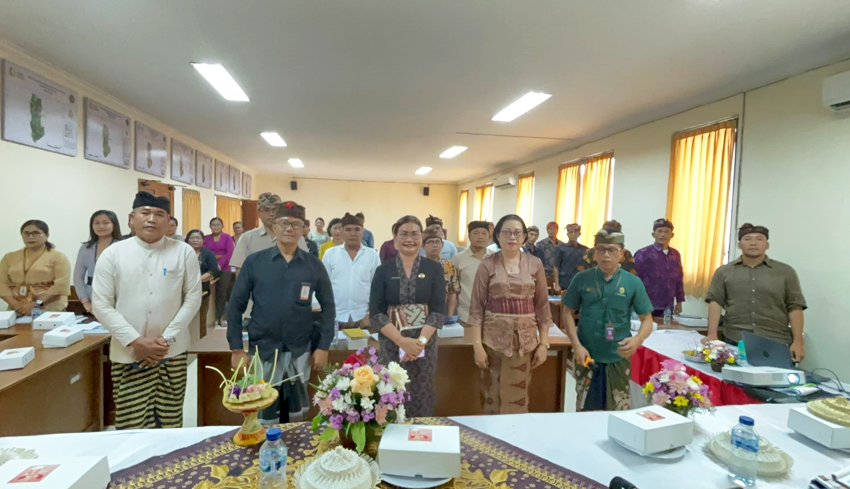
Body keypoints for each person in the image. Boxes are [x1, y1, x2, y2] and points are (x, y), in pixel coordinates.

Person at [92, 192, 201, 429]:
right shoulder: (113, 254)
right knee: (132, 424)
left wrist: (166, 339)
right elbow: (101, 303)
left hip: (171, 352)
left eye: (159, 214)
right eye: (145, 213)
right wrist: (135, 341)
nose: (152, 219)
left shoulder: (183, 252)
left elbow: (193, 298)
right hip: (129, 352)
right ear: (131, 218)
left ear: (168, 220)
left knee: (170, 421)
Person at [227, 201, 335, 423]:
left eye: (296, 224)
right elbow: (235, 305)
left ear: (304, 229)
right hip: (264, 348)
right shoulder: (255, 262)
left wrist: (323, 346)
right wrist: (237, 348)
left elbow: (329, 307)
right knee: (262, 408)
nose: (289, 228)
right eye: (284, 223)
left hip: (300, 349)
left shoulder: (313, 265)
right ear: (274, 227)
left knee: (298, 412)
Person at [562, 227, 654, 412]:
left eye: (612, 250)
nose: (606, 255)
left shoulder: (633, 282)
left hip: (618, 356)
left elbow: (647, 319)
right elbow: (566, 312)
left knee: (617, 410)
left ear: (621, 253)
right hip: (586, 355)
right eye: (601, 249)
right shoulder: (582, 279)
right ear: (594, 252)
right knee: (584, 407)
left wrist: (638, 340)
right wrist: (576, 345)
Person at [468, 215, 552, 414]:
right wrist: (477, 346)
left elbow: (542, 307)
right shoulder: (487, 264)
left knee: (518, 398)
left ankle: (513, 440)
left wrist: (544, 344)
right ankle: (490, 442)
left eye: (517, 232)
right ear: (497, 236)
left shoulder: (535, 264)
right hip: (492, 342)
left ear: (524, 236)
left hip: (524, 343)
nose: (511, 237)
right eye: (506, 232)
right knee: (491, 395)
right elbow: (476, 308)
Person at [370, 215, 446, 417]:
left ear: (421, 238)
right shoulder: (383, 271)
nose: (409, 239)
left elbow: (439, 311)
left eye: (414, 234)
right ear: (394, 239)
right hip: (392, 345)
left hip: (425, 345)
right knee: (392, 393)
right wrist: (402, 341)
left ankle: (422, 441)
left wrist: (419, 342)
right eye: (403, 234)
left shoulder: (434, 269)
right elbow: (376, 313)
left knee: (422, 394)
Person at [704, 223, 807, 361]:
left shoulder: (785, 272)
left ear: (767, 244)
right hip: (735, 339)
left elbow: (795, 306)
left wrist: (798, 341)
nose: (753, 243)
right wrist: (712, 334)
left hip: (776, 341)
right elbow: (715, 302)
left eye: (759, 239)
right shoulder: (724, 272)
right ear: (739, 244)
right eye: (747, 239)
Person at [322, 213, 380, 329]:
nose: (353, 233)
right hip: (335, 317)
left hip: (363, 318)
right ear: (342, 232)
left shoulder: (372, 255)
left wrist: (369, 314)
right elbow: (323, 287)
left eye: (357, 229)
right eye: (348, 230)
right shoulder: (330, 254)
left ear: (363, 232)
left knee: (364, 347)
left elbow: (377, 288)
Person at [0, 220, 71, 314]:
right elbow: (2, 283)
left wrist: (36, 304)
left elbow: (61, 284)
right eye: (26, 233)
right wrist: (15, 304)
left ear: (47, 235)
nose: (30, 237)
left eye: (36, 233)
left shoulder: (58, 257)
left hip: (48, 307)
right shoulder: (9, 257)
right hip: (17, 308)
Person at [232, 192, 311, 275]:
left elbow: (305, 266)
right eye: (266, 210)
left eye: (275, 210)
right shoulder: (247, 238)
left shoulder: (294, 236)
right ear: (258, 213)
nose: (271, 214)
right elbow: (240, 271)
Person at [634, 219, 685, 316]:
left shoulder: (675, 254)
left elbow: (679, 279)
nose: (663, 235)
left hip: (667, 306)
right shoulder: (643, 253)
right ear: (653, 234)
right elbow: (634, 279)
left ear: (672, 235)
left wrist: (679, 301)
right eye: (660, 231)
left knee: (666, 330)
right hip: (646, 304)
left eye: (666, 232)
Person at [74, 210, 122, 314]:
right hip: (91, 298)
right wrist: (86, 303)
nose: (101, 226)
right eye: (97, 223)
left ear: (114, 225)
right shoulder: (85, 248)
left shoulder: (122, 246)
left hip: (118, 298)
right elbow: (78, 278)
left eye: (106, 223)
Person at [452, 221, 492, 326]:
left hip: (491, 316)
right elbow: (452, 290)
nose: (480, 237)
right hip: (466, 316)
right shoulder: (458, 259)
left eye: (484, 233)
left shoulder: (495, 258)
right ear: (469, 236)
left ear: (489, 237)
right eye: (476, 233)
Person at [185, 230, 222, 331]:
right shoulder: (182, 252)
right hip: (183, 290)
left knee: (201, 318)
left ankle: (200, 341)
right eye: (192, 238)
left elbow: (214, 271)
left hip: (202, 290)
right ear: (187, 240)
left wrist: (196, 280)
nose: (195, 240)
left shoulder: (208, 253)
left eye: (198, 238)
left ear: (203, 240)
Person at [423, 225, 459, 317]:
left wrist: (450, 315)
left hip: (442, 312)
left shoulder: (449, 266)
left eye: (437, 242)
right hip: (422, 312)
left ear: (442, 245)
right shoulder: (418, 265)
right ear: (423, 246)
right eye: (430, 242)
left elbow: (453, 292)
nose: (434, 245)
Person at [204, 217, 235, 327]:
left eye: (218, 224)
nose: (216, 226)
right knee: (211, 294)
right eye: (213, 224)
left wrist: (220, 264)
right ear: (210, 227)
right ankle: (211, 318)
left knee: (222, 293)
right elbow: (205, 253)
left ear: (222, 226)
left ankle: (221, 317)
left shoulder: (227, 237)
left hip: (225, 268)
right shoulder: (206, 238)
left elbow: (229, 252)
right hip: (210, 269)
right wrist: (213, 265)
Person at [553, 223, 589, 296]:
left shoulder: (585, 250)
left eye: (575, 232)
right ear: (567, 234)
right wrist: (556, 284)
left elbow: (587, 268)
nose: (573, 234)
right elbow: (556, 267)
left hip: (580, 281)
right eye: (571, 232)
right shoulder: (561, 248)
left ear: (579, 234)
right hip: (565, 282)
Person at [535, 222, 563, 287]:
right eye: (550, 229)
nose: (552, 231)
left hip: (559, 275)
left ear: (557, 230)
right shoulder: (540, 244)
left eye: (554, 229)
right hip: (545, 274)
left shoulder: (562, 245)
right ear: (547, 230)